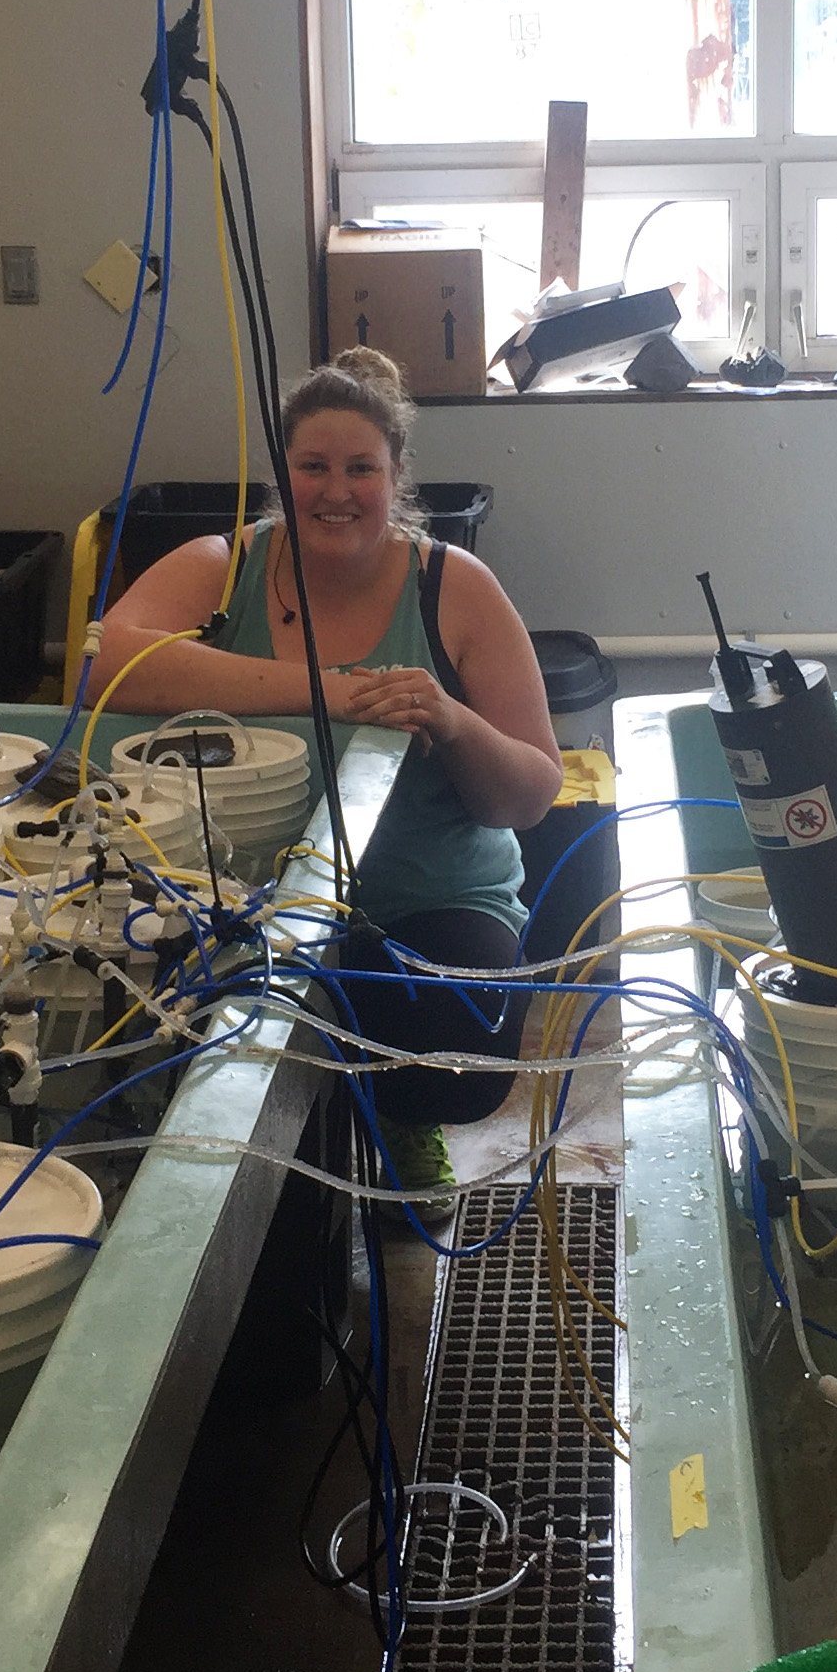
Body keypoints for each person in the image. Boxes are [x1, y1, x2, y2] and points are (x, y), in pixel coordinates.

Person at [91, 348, 564, 1185]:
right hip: (240, 897)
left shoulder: (455, 586)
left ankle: (399, 1117)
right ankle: (286, 1169)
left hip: (423, 899)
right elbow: (108, 665)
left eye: (360, 468)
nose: (337, 491)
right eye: (313, 466)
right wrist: (330, 692)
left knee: (452, 1043)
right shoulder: (222, 567)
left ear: (397, 475)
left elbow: (532, 792)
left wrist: (452, 721)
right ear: (283, 471)